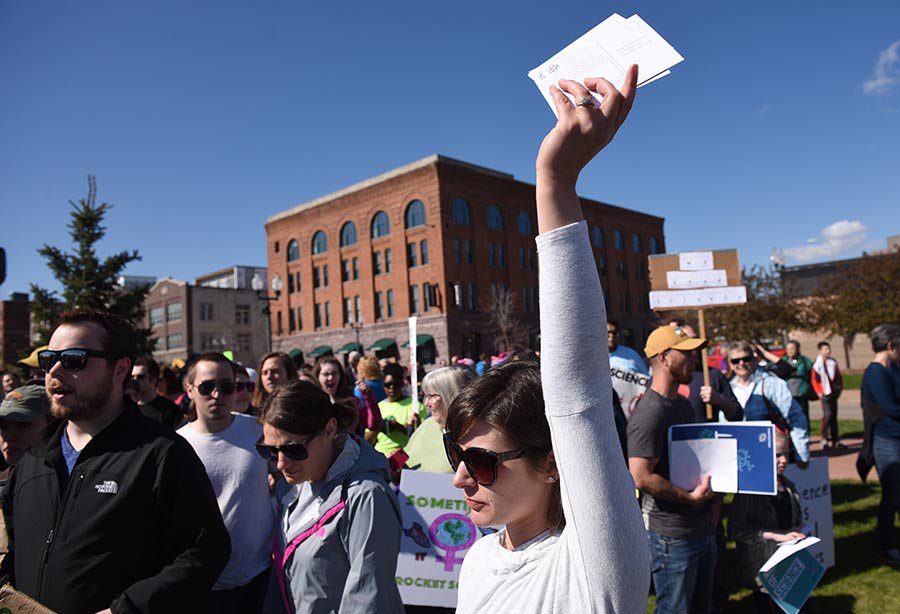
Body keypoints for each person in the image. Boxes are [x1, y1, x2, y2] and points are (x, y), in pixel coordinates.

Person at [447, 66, 648, 613]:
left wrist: (555, 181)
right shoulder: (478, 560)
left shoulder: (593, 566)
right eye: (456, 454)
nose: (461, 477)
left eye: (484, 463)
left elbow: (576, 394)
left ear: (554, 461)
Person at [0, 310, 230, 612]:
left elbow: (205, 551)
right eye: (48, 359)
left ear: (120, 368)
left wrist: (127, 609)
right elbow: (16, 552)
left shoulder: (162, 454)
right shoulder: (33, 459)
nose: (54, 370)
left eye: (73, 359)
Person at [259, 380, 404, 613]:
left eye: (294, 449)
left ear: (329, 429)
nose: (280, 463)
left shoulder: (367, 496)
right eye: (270, 450)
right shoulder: (291, 485)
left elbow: (369, 599)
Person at [628, 325, 717, 613]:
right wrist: (689, 498)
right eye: (687, 353)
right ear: (664, 358)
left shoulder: (680, 403)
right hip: (672, 537)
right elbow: (640, 476)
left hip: (701, 526)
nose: (695, 359)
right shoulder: (650, 412)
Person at [178, 353, 274, 612]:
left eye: (226, 386)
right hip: (203, 585)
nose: (217, 394)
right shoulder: (176, 446)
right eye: (207, 387)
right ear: (189, 390)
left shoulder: (259, 430)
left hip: (260, 576)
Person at [729, 429, 806, 612]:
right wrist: (774, 536)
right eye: (777, 455)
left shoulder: (789, 487)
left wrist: (798, 529)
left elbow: (794, 519)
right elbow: (735, 529)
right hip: (762, 568)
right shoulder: (750, 491)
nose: (784, 460)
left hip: (788, 566)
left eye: (787, 454)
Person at [727, 341, 810, 464]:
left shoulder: (772, 384)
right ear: (730, 364)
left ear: (754, 360)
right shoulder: (728, 389)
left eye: (746, 359)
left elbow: (796, 418)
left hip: (771, 455)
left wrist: (802, 454)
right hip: (741, 455)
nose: (741, 364)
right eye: (735, 361)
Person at [0, 385, 55, 563]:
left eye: (23, 425)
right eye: (4, 426)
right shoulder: (7, 480)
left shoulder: (63, 487)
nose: (10, 435)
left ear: (52, 425)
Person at [859, 324, 900, 565]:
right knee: (892, 495)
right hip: (887, 442)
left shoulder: (893, 368)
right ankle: (885, 546)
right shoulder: (875, 372)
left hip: (896, 437)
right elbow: (891, 408)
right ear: (890, 346)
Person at [405, 366, 475, 472]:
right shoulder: (427, 425)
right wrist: (392, 463)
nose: (426, 403)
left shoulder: (475, 435)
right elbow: (406, 455)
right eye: (425, 396)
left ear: (450, 395)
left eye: (432, 396)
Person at [681, 325, 742, 423]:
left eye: (694, 339)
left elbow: (737, 415)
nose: (693, 345)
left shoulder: (712, 375)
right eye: (686, 340)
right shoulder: (664, 378)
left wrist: (719, 399)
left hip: (705, 436)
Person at [315, 357, 382, 436]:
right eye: (326, 374)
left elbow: (374, 425)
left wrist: (369, 398)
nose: (331, 378)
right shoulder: (313, 402)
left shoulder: (351, 400)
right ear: (318, 376)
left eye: (334, 373)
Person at [370, 364, 426, 457]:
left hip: (405, 455)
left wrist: (400, 427)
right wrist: (377, 427)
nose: (392, 388)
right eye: (388, 385)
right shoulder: (378, 408)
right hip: (380, 456)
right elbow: (367, 440)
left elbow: (424, 438)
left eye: (396, 384)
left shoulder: (415, 406)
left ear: (402, 384)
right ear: (383, 386)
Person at [129, 355, 183, 429]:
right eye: (132, 377)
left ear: (153, 380)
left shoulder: (170, 410)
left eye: (140, 377)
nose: (134, 380)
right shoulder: (126, 409)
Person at [812, 341, 843, 449]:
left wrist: (839, 389)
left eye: (829, 349)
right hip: (824, 393)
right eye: (825, 349)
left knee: (834, 416)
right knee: (827, 415)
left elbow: (838, 377)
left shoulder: (833, 362)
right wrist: (819, 392)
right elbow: (814, 379)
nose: (828, 351)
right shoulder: (817, 363)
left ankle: (836, 439)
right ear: (820, 351)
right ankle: (824, 438)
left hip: (833, 392)